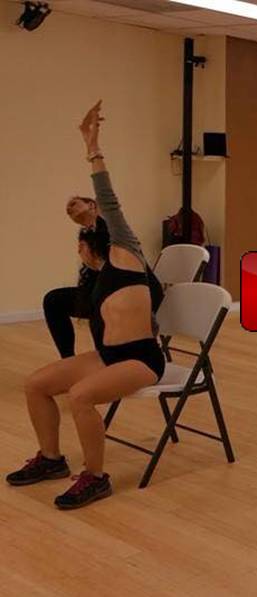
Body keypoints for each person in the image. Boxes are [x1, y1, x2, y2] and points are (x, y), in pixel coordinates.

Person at [6, 101, 165, 509]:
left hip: (141, 359)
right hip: (108, 356)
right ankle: (51, 459)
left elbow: (109, 206)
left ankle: (95, 477)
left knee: (80, 396)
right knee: (36, 384)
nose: (78, 246)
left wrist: (92, 146)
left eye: (82, 240)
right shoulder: (97, 274)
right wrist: (84, 221)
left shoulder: (126, 254)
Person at [42, 197, 110, 359]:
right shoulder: (86, 233)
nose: (69, 208)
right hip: (98, 290)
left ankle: (106, 358)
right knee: (53, 300)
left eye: (74, 203)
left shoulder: (113, 229)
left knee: (99, 301)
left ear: (92, 205)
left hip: (121, 294)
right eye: (68, 209)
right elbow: (95, 267)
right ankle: (68, 359)